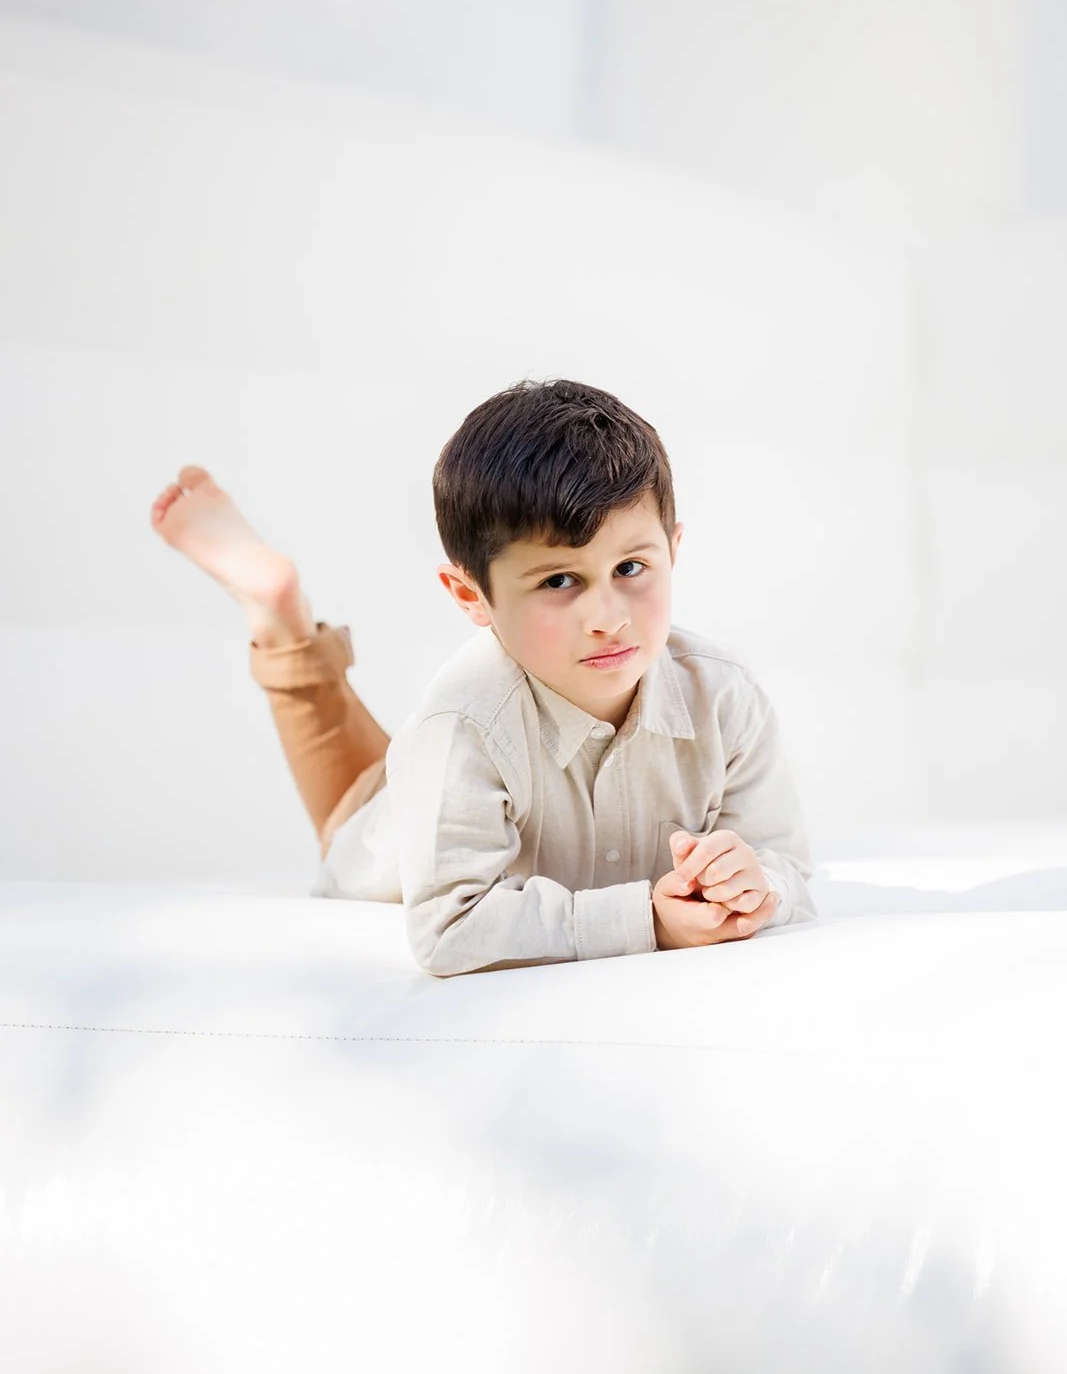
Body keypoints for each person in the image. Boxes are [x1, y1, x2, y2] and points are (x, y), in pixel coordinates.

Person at [151, 377, 816, 976]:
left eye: (630, 569)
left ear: (672, 548)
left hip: (481, 761)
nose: (607, 618)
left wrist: (755, 887)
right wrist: (649, 921)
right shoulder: (460, 729)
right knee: (349, 812)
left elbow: (786, 868)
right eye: (560, 580)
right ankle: (278, 611)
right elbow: (450, 927)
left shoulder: (724, 696)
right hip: (418, 795)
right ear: (469, 595)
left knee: (426, 754)